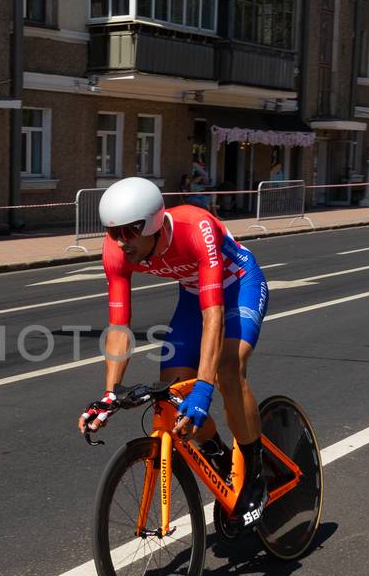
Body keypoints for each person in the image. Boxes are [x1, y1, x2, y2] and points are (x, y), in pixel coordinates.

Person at [76, 177, 271, 528]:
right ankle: (222, 458)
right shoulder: (116, 250)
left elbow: (214, 318)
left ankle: (256, 471)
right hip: (193, 295)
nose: (121, 242)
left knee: (227, 369)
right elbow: (119, 326)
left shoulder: (195, 227)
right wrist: (108, 394)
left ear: (151, 222)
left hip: (238, 284)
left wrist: (205, 390)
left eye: (130, 231)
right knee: (172, 395)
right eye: (113, 232)